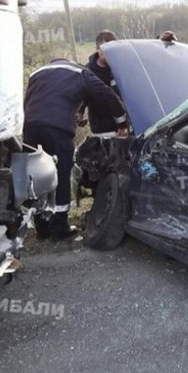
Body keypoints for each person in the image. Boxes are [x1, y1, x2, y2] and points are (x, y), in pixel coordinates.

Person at [24, 58, 128, 241]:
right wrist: (122, 122)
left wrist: (73, 113)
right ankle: (59, 229)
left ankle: (41, 227)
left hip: (31, 128)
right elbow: (106, 95)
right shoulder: (80, 72)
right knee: (61, 174)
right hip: (57, 129)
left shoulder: (37, 73)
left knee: (37, 177)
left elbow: (32, 101)